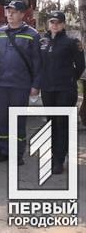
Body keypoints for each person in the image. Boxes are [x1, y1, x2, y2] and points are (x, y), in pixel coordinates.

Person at [0, 0, 41, 165]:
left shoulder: (32, 34)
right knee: (3, 119)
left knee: (18, 120)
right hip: (1, 84)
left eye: (14, 12)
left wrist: (35, 85)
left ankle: (17, 153)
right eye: (8, 11)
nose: (10, 14)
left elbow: (37, 63)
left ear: (22, 14)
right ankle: (4, 150)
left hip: (20, 85)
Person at [40, 10, 85, 174]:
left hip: (65, 89)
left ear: (63, 24)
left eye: (58, 22)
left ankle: (59, 159)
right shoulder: (43, 40)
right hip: (47, 89)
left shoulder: (72, 42)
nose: (54, 25)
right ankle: (53, 155)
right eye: (52, 22)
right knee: (51, 122)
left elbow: (80, 65)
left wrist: (69, 79)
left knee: (61, 123)